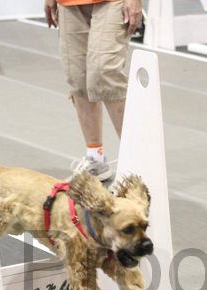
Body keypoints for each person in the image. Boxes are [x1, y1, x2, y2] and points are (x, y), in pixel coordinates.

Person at [44, 0, 142, 181]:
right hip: (69, 3)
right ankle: (95, 159)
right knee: (77, 76)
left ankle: (139, 161)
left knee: (104, 72)